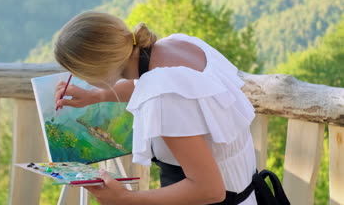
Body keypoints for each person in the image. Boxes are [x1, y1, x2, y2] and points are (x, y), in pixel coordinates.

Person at [54, 11, 258, 205]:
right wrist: (97, 96)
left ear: (95, 70)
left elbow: (209, 190)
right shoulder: (177, 45)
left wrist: (125, 199)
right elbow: (156, 86)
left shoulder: (163, 95)